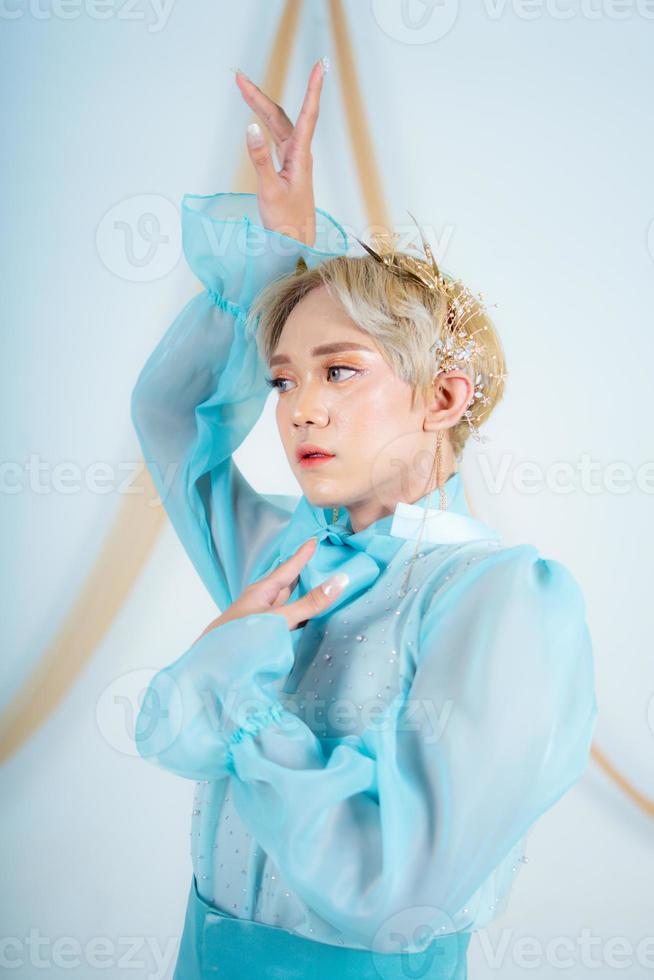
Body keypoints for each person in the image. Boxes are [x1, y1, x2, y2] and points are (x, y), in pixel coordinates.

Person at [131, 58, 598, 980]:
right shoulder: (283, 556)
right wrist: (278, 255)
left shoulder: (504, 599)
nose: (299, 407)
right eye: (283, 378)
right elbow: (174, 424)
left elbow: (396, 886)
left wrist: (241, 697)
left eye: (339, 370)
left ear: (444, 396)